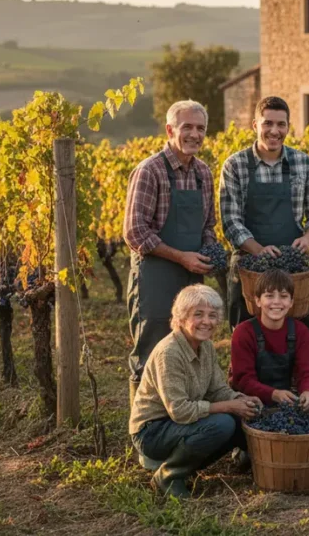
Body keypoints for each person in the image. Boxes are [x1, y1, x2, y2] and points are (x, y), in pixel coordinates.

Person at [124, 100, 219, 404]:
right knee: (151, 351)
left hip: (191, 278)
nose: (194, 134)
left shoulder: (203, 173)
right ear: (170, 130)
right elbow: (135, 231)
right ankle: (143, 437)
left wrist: (209, 251)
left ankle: (178, 426)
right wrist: (182, 257)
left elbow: (208, 225)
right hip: (155, 277)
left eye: (200, 128)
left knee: (188, 349)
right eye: (187, 127)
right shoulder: (150, 170)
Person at [129, 284, 263, 499]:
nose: (206, 322)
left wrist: (240, 399)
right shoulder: (170, 352)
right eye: (198, 314)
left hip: (180, 425)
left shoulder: (206, 346)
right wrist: (229, 406)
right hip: (153, 431)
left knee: (240, 416)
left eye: (212, 315)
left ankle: (240, 462)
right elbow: (180, 411)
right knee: (222, 423)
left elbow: (217, 388)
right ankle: (168, 475)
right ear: (181, 317)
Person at [220, 95, 309, 328]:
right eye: (267, 123)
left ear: (288, 127)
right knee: (247, 340)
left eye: (281, 124)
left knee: (295, 337)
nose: (274, 130)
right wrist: (258, 250)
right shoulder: (235, 165)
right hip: (250, 268)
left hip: (293, 266)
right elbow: (231, 221)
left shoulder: (304, 163)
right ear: (255, 125)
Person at [229, 269, 309, 411]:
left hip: (286, 400)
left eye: (283, 296)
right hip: (250, 402)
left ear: (291, 302)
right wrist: (273, 394)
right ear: (258, 300)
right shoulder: (244, 332)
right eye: (269, 296)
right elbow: (242, 381)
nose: (276, 302)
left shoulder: (300, 331)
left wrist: (308, 391)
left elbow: (307, 371)